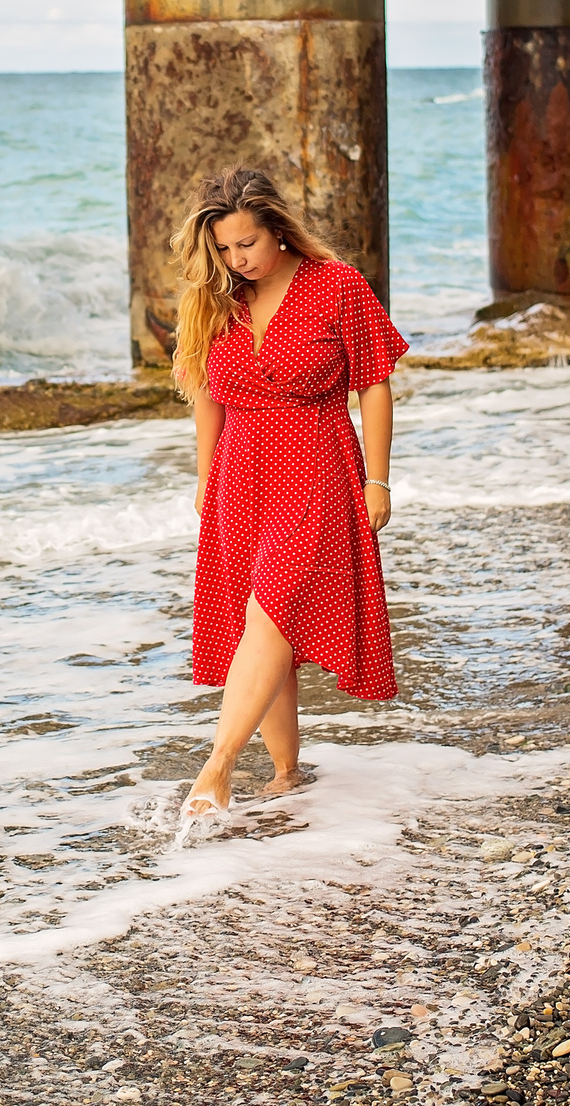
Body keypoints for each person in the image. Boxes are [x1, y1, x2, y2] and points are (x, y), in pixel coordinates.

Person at [168, 167, 407, 826]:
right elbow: (206, 395)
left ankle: (217, 768)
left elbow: (375, 382)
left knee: (272, 609)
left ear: (278, 229)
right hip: (240, 475)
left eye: (246, 243)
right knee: (259, 624)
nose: (236, 259)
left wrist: (378, 478)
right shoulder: (217, 299)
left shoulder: (337, 285)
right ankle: (285, 773)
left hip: (316, 465)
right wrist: (204, 478)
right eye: (224, 248)